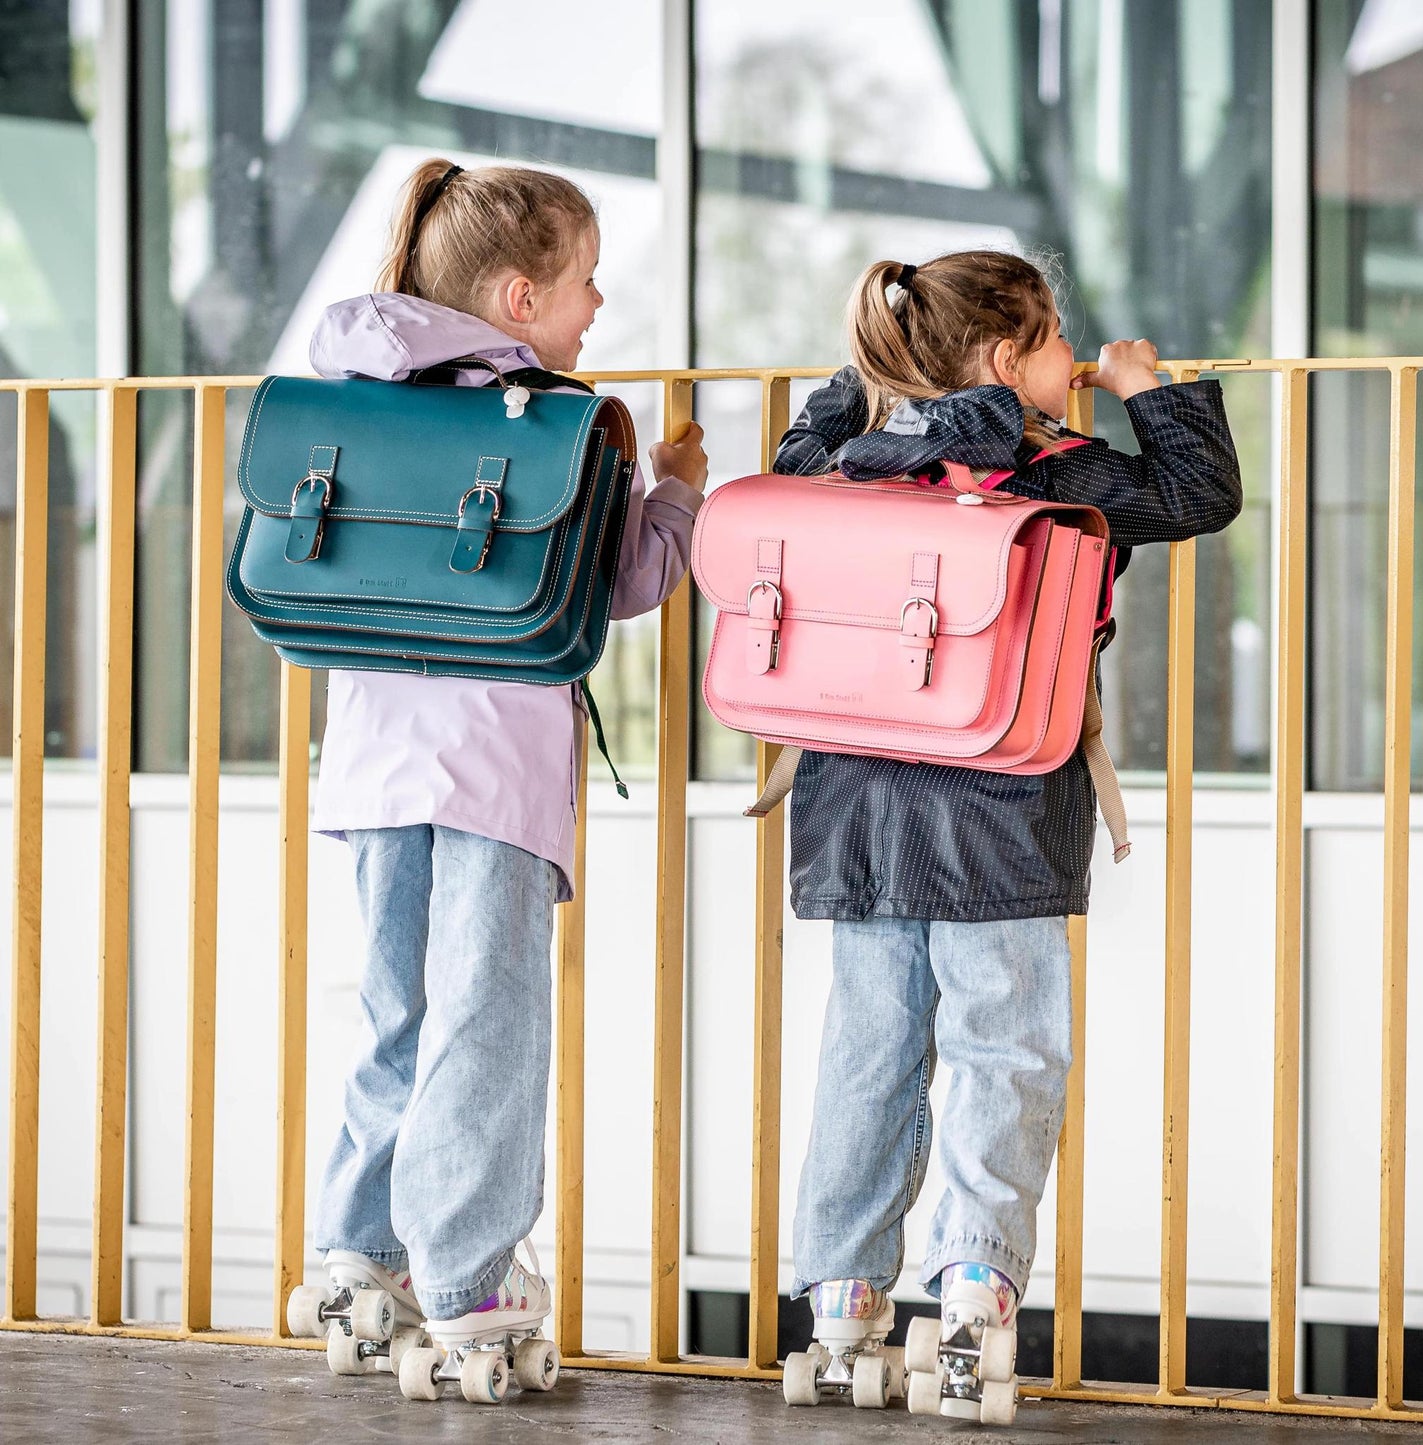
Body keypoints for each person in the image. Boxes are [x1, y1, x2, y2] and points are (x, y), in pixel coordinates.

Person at [773, 251, 1241, 1404]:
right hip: (1003, 806)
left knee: (867, 1051)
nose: (1066, 360)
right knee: (1005, 1047)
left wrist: (861, 381)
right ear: (1004, 361)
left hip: (856, 808)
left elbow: (790, 454)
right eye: (1054, 343)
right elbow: (1196, 494)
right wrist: (1143, 387)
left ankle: (840, 1293)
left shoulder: (848, 458)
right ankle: (973, 1281)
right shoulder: (1043, 460)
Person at [301, 159, 707, 1377]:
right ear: (519, 297)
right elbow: (629, 581)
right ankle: (470, 1274)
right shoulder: (564, 422)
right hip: (492, 778)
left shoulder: (356, 397)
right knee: (489, 1020)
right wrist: (678, 490)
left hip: (372, 764)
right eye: (587, 282)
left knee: (398, 1015)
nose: (600, 307)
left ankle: (358, 1254)